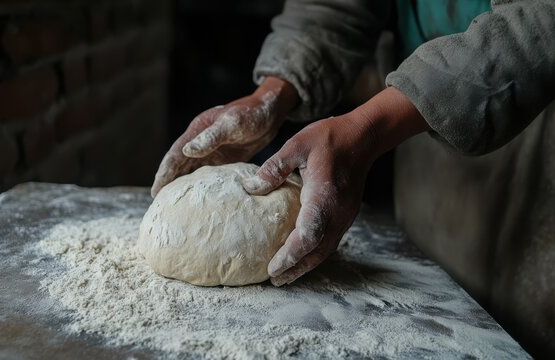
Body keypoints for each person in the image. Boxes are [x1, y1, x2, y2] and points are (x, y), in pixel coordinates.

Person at [152, 0, 554, 355]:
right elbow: (335, 5)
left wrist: (368, 129)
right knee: (435, 313)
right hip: (417, 132)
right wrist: (272, 94)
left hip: (536, 134)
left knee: (519, 333)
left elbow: (541, 22)